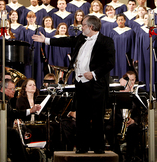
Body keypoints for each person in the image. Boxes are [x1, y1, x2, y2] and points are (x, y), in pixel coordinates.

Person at [32, 15, 115, 154]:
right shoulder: (81, 39)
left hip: (96, 86)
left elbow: (110, 63)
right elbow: (67, 41)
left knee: (97, 117)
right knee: (81, 117)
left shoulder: (106, 41)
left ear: (91, 27)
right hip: (81, 85)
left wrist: (94, 74)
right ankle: (81, 147)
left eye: (83, 25)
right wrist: (46, 40)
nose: (81, 27)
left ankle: (98, 148)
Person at [23, 11, 45, 88]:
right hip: (28, 53)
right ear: (26, 18)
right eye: (29, 17)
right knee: (28, 71)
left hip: (38, 53)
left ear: (35, 18)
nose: (31, 19)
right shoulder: (24, 29)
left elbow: (44, 43)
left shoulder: (40, 29)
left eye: (33, 17)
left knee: (38, 71)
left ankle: (38, 89)